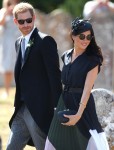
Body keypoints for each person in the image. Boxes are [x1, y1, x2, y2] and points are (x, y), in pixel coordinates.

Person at [44, 18, 109, 150]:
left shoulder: (93, 60)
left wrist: (78, 114)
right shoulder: (66, 55)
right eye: (82, 36)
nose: (86, 40)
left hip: (82, 106)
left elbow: (87, 89)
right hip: (64, 103)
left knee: (89, 143)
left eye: (89, 36)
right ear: (73, 36)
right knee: (53, 143)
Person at [6, 2, 62, 150]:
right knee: (12, 147)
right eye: (21, 21)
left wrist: (58, 107)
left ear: (34, 18)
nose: (26, 24)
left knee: (43, 147)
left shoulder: (45, 41)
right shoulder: (19, 42)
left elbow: (54, 75)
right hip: (21, 109)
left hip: (39, 109)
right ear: (15, 22)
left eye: (29, 20)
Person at [83, 0, 114, 90]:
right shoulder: (90, 4)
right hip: (95, 42)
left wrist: (107, 6)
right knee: (94, 66)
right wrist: (97, 5)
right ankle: (94, 90)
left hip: (109, 44)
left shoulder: (110, 5)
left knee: (109, 68)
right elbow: (87, 15)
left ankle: (109, 91)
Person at [0, 0, 21, 99]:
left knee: (18, 67)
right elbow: (1, 23)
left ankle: (19, 91)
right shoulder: (3, 11)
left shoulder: (19, 11)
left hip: (17, 41)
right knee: (7, 67)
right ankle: (7, 91)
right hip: (6, 43)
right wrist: (6, 13)